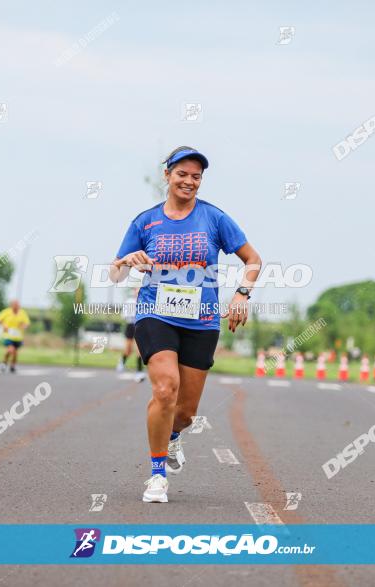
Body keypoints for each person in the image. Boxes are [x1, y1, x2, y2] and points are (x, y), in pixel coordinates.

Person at [109, 146, 262, 503]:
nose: (189, 181)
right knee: (165, 389)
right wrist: (127, 261)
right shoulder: (145, 222)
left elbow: (253, 259)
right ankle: (157, 474)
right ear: (167, 175)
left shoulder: (214, 218)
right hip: (154, 313)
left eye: (196, 176)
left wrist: (242, 295)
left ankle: (173, 435)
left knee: (186, 413)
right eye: (182, 174)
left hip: (201, 321)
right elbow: (114, 273)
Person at [117, 287, 146, 383]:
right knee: (128, 349)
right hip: (130, 325)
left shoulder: (144, 300)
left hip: (140, 326)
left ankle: (139, 372)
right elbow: (125, 315)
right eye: (136, 291)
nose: (137, 293)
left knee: (139, 350)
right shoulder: (130, 301)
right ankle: (122, 361)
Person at [0, 300, 30, 373]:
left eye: (18, 305)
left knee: (15, 352)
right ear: (12, 305)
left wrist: (24, 326)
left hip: (18, 336)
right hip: (8, 335)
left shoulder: (22, 313)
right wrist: (3, 325)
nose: (17, 306)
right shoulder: (6, 312)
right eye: (15, 305)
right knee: (11, 350)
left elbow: (27, 323)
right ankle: (4, 363)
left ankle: (12, 365)